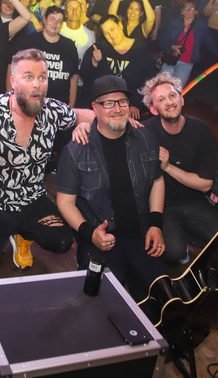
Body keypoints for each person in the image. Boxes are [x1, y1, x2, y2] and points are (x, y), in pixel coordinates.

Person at [0, 48, 93, 269]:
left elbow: (86, 114)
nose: (37, 85)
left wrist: (84, 124)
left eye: (42, 78)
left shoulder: (52, 110)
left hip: (31, 197)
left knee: (62, 242)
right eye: (29, 77)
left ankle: (21, 234)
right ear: (13, 82)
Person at [57, 75, 166, 297]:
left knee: (161, 297)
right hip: (100, 237)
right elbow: (65, 202)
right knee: (99, 299)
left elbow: (157, 180)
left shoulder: (146, 138)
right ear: (95, 107)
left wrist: (155, 225)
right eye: (108, 103)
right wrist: (90, 234)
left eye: (122, 102)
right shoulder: (76, 149)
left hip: (140, 234)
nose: (117, 109)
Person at [139, 72, 218, 264]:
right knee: (174, 253)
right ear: (153, 109)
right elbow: (113, 127)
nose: (169, 102)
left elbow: (205, 185)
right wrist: (82, 126)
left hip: (193, 201)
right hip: (161, 205)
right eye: (161, 99)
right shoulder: (145, 132)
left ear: (181, 99)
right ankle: (181, 238)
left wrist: (167, 167)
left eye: (172, 95)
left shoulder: (201, 130)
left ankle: (187, 234)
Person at [79, 15, 157, 118]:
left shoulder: (140, 48)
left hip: (129, 108)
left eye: (112, 29)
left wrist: (135, 104)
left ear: (120, 25)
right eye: (106, 33)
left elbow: (149, 79)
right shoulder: (98, 48)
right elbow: (85, 77)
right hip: (102, 108)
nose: (111, 35)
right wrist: (94, 62)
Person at [9, 6, 79, 106]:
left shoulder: (69, 46)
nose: (55, 23)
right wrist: (10, 99)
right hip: (30, 103)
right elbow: (12, 68)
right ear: (45, 20)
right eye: (52, 19)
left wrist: (71, 106)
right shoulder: (28, 42)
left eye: (59, 21)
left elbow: (74, 77)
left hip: (60, 105)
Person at [157, 0, 218, 84]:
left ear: (196, 12)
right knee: (162, 86)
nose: (188, 10)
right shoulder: (174, 23)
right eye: (186, 8)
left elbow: (210, 43)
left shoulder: (201, 25)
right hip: (170, 60)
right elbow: (162, 40)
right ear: (182, 11)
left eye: (191, 8)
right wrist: (172, 47)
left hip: (186, 64)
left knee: (176, 89)